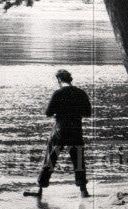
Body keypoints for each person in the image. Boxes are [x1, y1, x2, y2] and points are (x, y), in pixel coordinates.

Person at [28, 69, 91, 198]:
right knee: (78, 159)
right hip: (76, 129)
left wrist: (59, 112)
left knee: (50, 159)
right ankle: (83, 191)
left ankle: (40, 190)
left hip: (60, 129)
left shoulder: (58, 93)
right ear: (70, 79)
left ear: (59, 80)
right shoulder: (81, 93)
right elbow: (88, 113)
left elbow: (48, 113)